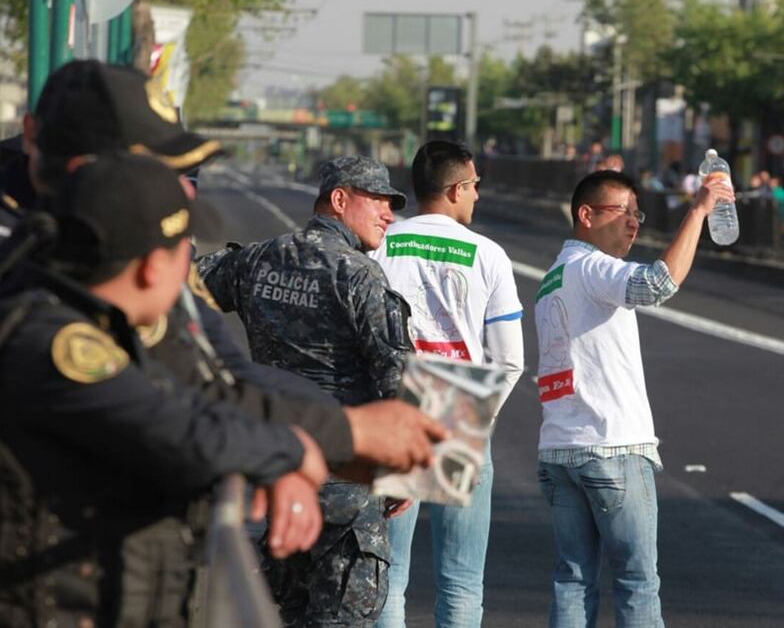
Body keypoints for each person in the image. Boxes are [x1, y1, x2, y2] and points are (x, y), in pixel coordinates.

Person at [6, 59, 448, 624]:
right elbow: (175, 424)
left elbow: (223, 378)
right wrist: (345, 433)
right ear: (149, 268)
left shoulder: (217, 268)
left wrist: (304, 447)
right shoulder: (43, 320)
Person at [0, 152, 332, 627]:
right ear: (155, 267)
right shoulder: (56, 340)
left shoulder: (88, 322)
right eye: (184, 253)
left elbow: (196, 401)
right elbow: (177, 429)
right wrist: (289, 448)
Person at [197, 155, 413, 626]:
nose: (388, 214)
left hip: (277, 476)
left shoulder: (257, 259)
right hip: (347, 491)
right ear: (339, 200)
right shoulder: (358, 275)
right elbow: (399, 376)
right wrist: (403, 472)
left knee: (285, 614)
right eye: (377, 199)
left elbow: (185, 292)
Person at [534, 167, 733, 627]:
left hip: (559, 449)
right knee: (637, 582)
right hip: (612, 448)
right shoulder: (593, 266)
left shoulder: (553, 276)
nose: (633, 222)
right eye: (621, 211)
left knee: (572, 579)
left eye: (636, 213)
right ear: (586, 215)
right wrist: (699, 211)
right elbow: (657, 284)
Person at [371, 141, 524, 628]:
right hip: (462, 410)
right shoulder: (489, 255)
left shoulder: (381, 241)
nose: (477, 195)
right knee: (460, 580)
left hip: (394, 411)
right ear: (457, 189)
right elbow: (510, 360)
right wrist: (473, 416)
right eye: (475, 185)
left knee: (388, 577)